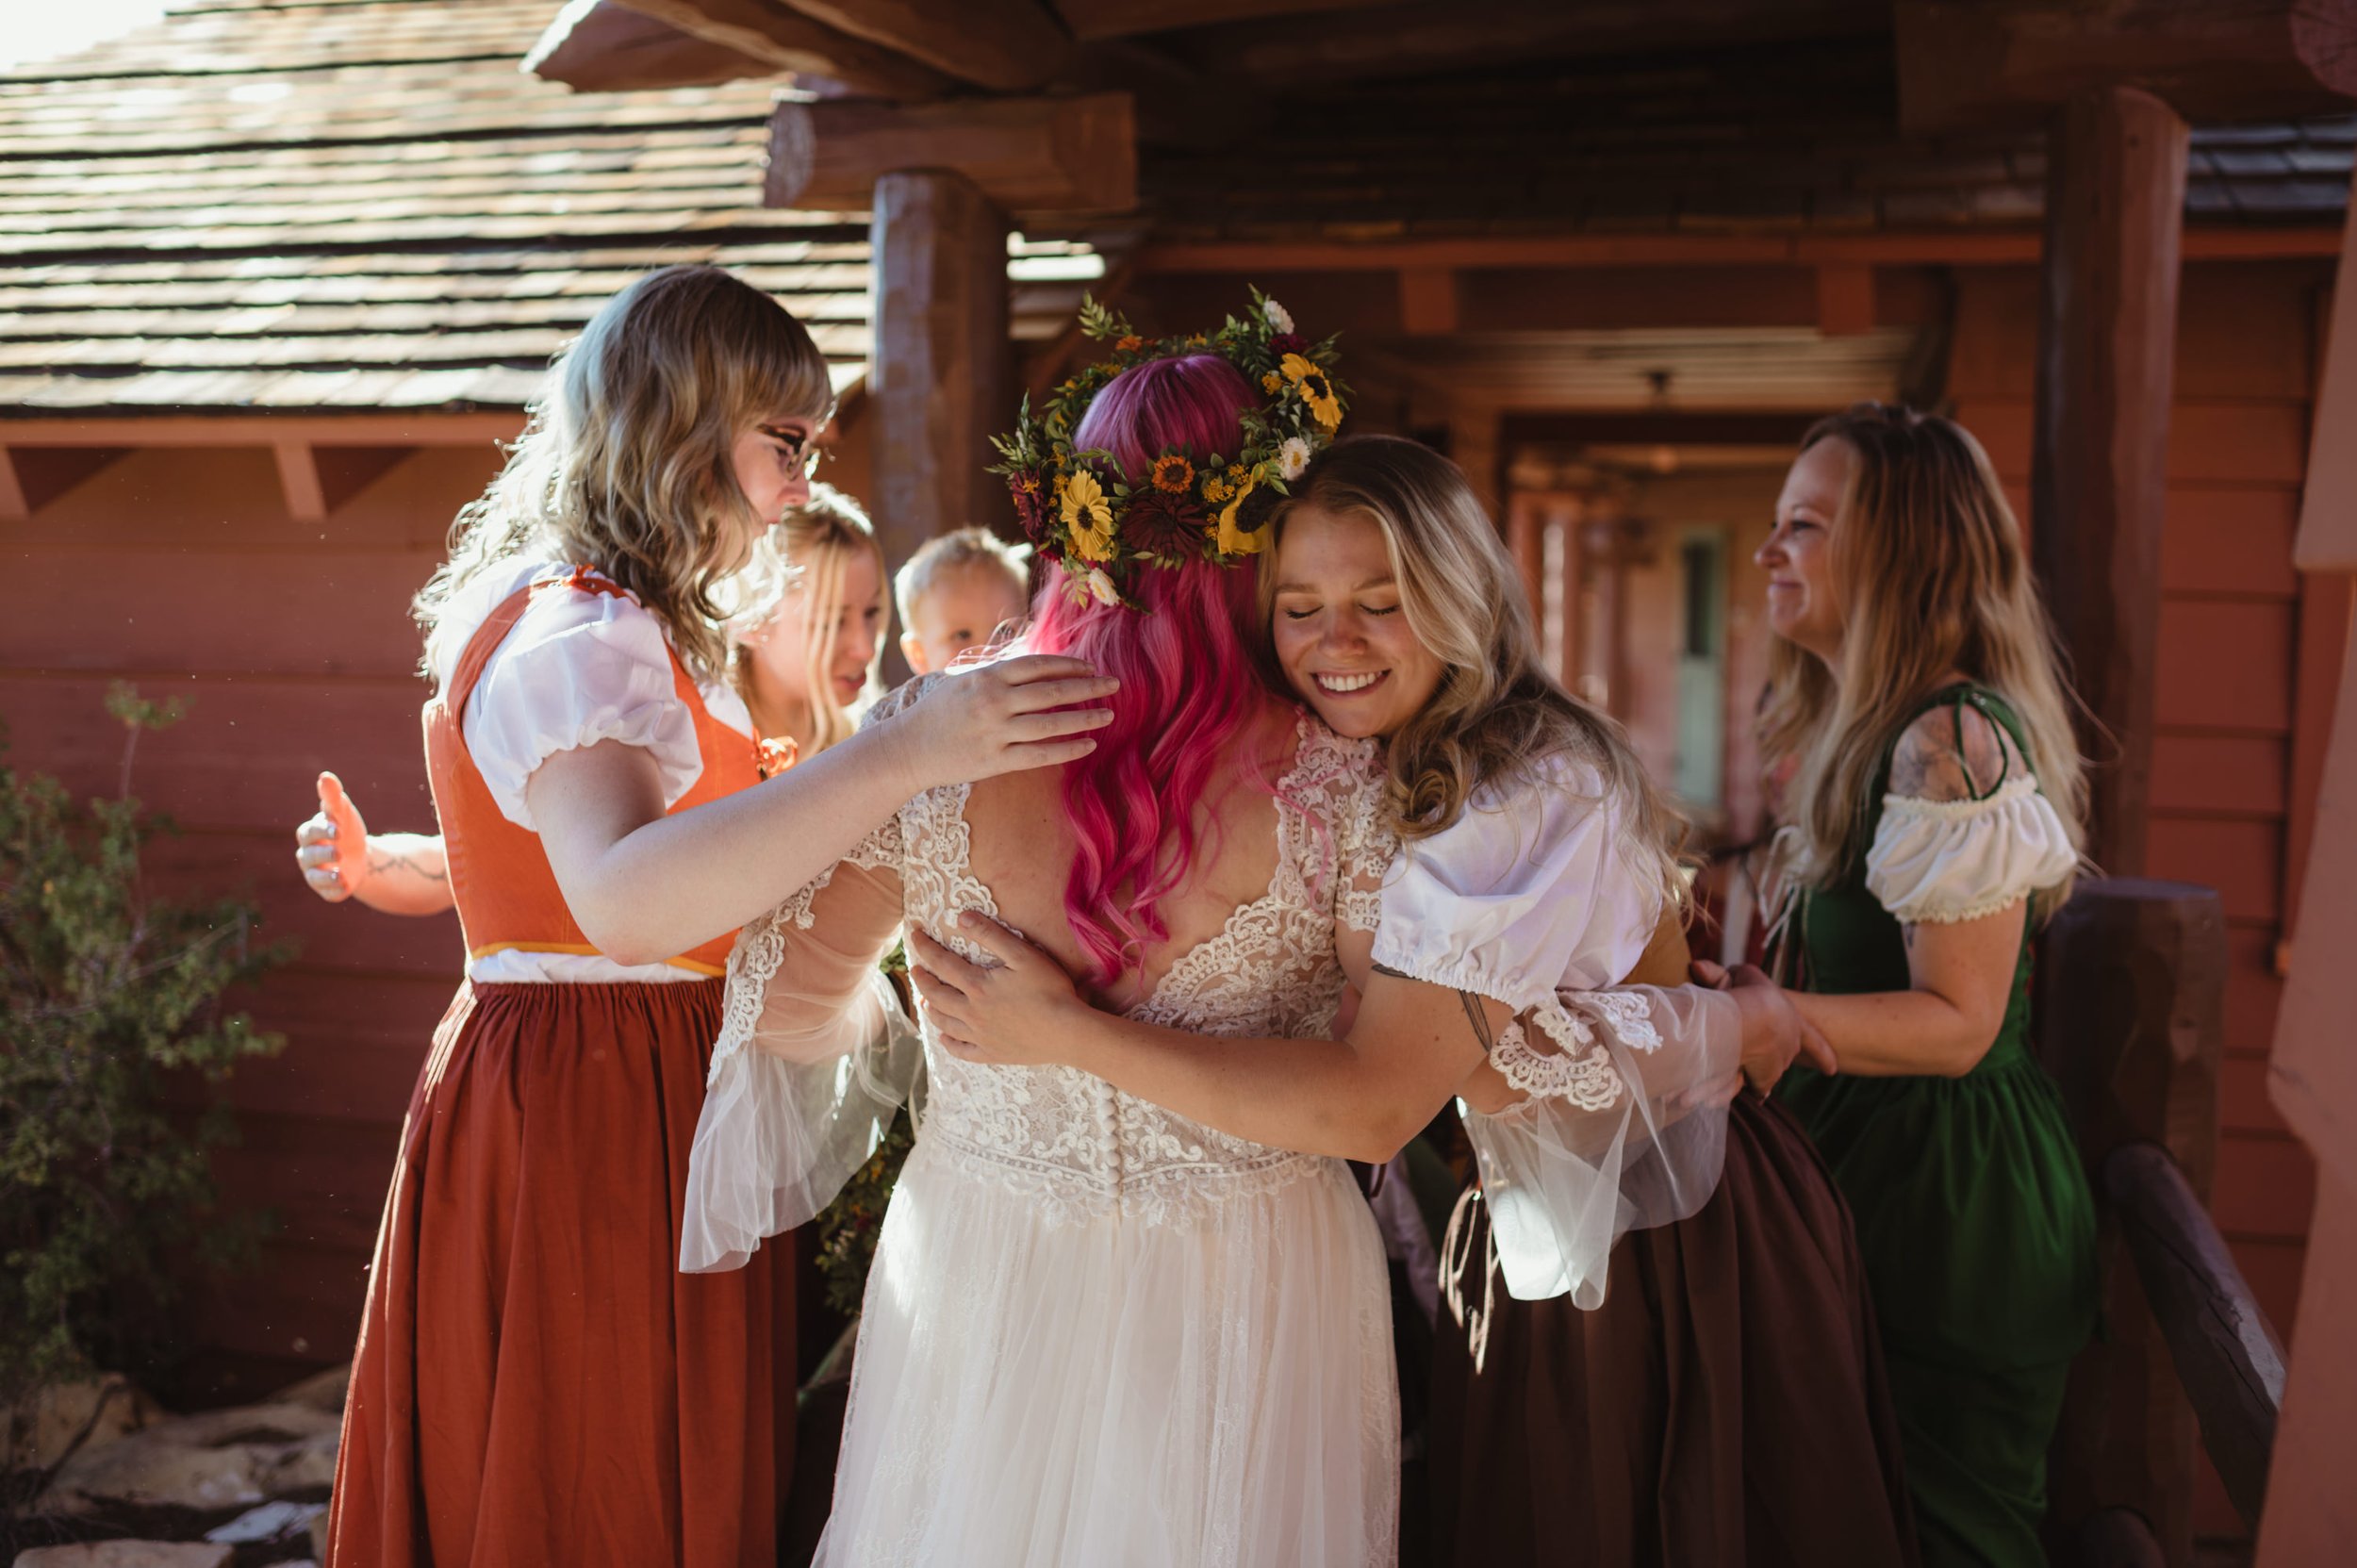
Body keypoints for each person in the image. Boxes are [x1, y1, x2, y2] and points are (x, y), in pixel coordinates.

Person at [915, 433, 1919, 1566]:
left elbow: (1391, 1096)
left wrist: (1065, 1035)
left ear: (1461, 598)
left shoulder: (1520, 788)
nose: (1333, 641)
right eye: (1298, 607)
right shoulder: (1376, 766)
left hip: (1669, 1229)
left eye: (1380, 602)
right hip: (1533, 1203)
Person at [315, 264, 1114, 1568]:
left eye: (814, 448)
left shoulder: (616, 623)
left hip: (625, 1081)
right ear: (681, 424)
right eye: (784, 444)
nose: (803, 483)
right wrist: (900, 756)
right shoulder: (582, 636)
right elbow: (626, 901)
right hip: (596, 1103)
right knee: (593, 1469)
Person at [686, 306, 1405, 1566]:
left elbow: (791, 1008)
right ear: (1269, 522)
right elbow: (1372, 1091)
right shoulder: (1348, 774)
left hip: (988, 1252)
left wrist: (960, 1038)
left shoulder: (938, 740)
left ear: (1068, 518)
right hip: (1252, 1277)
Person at [1758, 404, 2096, 1568]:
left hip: (1950, 1205)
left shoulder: (1945, 741)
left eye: (1802, 524)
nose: (1768, 554)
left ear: (1900, 548)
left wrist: (1755, 1017)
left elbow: (1960, 1024)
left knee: (1944, 1538)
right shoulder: (1875, 735)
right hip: (1878, 1176)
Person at [294, 485, 890, 909]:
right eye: (833, 621)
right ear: (754, 614)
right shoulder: (668, 733)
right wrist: (367, 861)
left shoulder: (878, 748)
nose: (864, 646)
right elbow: (484, 870)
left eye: (872, 612)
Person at [892, 524, 1031, 675]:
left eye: (1005, 630)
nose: (988, 653)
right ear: (918, 655)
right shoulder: (910, 699)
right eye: (962, 635)